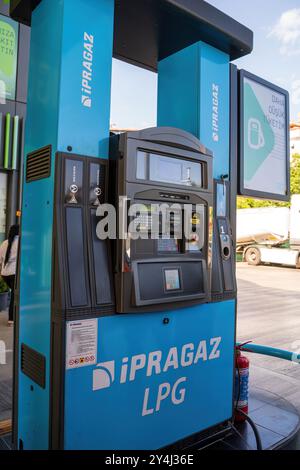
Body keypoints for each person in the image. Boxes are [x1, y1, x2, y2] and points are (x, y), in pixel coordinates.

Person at [0, 225, 19, 326]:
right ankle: (11, 319)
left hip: (4, 274)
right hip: (14, 273)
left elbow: (0, 259)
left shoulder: (4, 243)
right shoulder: (20, 242)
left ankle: (14, 317)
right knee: (14, 297)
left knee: (14, 295)